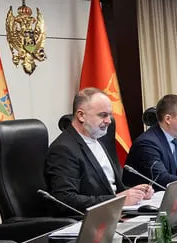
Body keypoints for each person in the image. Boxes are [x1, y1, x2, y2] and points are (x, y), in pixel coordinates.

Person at [44, 87, 152, 215]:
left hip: (116, 214)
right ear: (81, 115)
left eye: (110, 115)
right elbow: (65, 200)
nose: (109, 121)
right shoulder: (64, 149)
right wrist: (117, 200)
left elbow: (109, 189)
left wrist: (135, 193)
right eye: (103, 115)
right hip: (90, 220)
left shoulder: (97, 139)